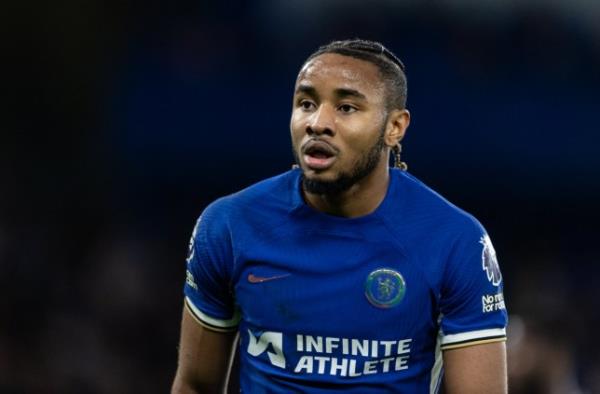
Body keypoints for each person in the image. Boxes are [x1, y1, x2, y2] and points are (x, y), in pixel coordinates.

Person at [171, 39, 508, 393]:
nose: (318, 123)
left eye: (346, 107)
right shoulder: (229, 226)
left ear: (394, 127)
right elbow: (195, 384)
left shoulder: (454, 241)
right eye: (306, 103)